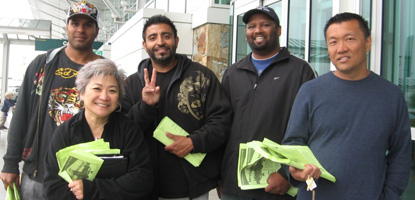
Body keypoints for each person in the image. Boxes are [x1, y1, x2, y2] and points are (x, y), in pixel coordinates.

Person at [282, 12, 411, 200]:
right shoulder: (310, 91)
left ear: (367, 43)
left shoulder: (391, 96)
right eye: (333, 42)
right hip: (316, 195)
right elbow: (292, 144)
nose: (341, 48)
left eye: (349, 39)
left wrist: (390, 195)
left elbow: (400, 154)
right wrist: (295, 171)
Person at [120, 15, 232, 200]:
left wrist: (193, 142)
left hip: (193, 187)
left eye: (166, 36)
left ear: (176, 40)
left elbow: (222, 121)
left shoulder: (201, 77)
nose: (160, 42)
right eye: (153, 37)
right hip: (144, 187)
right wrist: (145, 107)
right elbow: (122, 132)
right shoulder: (131, 84)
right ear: (144, 44)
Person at [1, 1, 102, 199]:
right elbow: (21, 114)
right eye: (75, 23)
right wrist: (10, 162)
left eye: (88, 24)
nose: (80, 29)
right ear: (66, 27)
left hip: (83, 178)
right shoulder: (43, 65)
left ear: (96, 31)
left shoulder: (105, 71)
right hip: (38, 175)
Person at [220, 6, 316, 200]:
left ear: (278, 30)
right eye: (251, 26)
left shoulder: (300, 71)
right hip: (234, 185)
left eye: (265, 25)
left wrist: (287, 175)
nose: (257, 30)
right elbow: (221, 125)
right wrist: (220, 175)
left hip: (277, 187)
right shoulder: (233, 73)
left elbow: (313, 129)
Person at [43, 59, 153, 200]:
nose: (104, 97)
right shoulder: (65, 132)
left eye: (112, 90)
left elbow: (142, 179)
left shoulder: (129, 130)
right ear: (81, 93)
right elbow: (52, 188)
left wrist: (90, 189)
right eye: (97, 89)